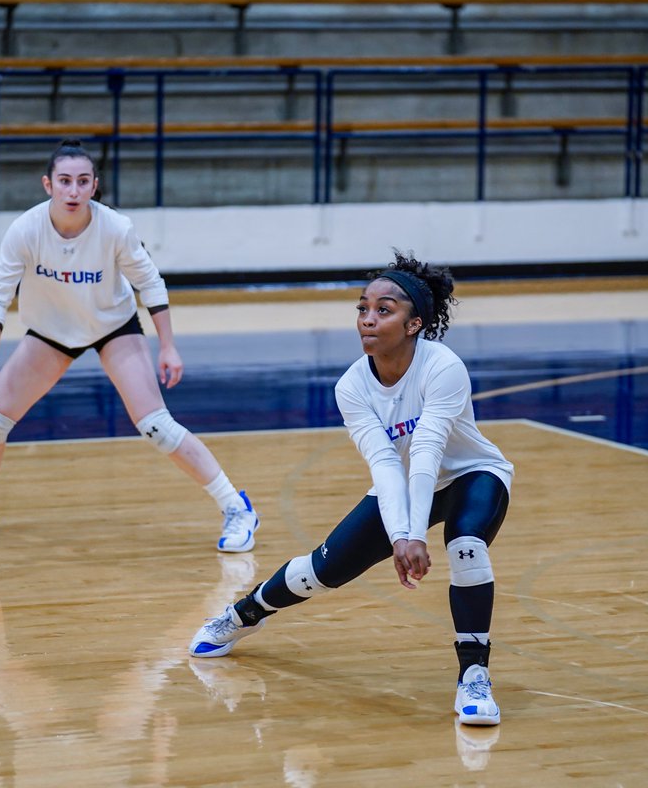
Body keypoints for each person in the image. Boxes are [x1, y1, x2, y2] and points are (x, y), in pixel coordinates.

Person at [188, 251, 514, 726]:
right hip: (400, 484)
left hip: (472, 475)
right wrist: (401, 533)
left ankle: (474, 679)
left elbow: (427, 450)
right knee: (322, 571)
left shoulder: (443, 367)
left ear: (413, 324)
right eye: (362, 308)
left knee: (466, 546)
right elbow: (385, 463)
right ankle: (241, 615)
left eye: (385, 310)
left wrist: (414, 536)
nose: (368, 319)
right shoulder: (351, 386)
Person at [0, 139, 259, 553]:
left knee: (157, 425)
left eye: (82, 182)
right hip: (50, 332)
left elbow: (150, 283)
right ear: (48, 184)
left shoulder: (115, 228)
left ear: (93, 186)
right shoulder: (25, 229)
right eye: (64, 181)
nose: (73, 191)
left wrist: (168, 346)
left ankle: (237, 508)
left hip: (113, 326)